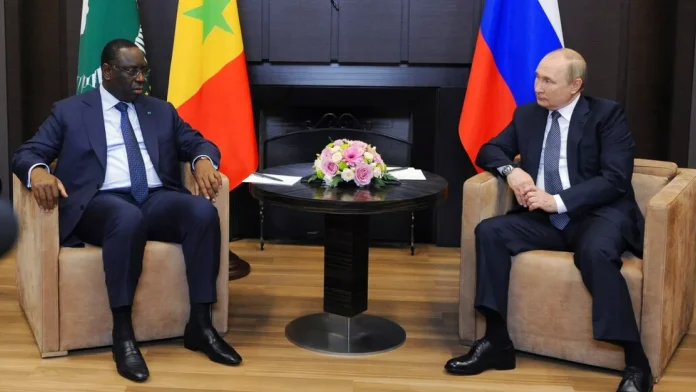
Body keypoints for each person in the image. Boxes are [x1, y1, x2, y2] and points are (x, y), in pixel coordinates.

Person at [12, 39, 242, 382]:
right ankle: (123, 333)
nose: (141, 79)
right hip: (99, 203)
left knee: (201, 213)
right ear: (106, 72)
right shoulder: (70, 111)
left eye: (143, 71)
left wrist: (204, 162)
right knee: (126, 218)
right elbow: (27, 153)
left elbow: (197, 142)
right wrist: (39, 171)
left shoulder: (160, 110)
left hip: (154, 196)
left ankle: (201, 324)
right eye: (131, 70)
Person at [444, 48, 653, 392]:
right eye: (537, 77)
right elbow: (489, 150)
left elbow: (615, 178)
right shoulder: (527, 115)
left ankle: (635, 362)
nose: (537, 86)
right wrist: (513, 172)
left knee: (595, 253)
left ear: (575, 85)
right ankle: (497, 342)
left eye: (547, 80)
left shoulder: (607, 115)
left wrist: (556, 201)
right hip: (545, 220)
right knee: (490, 232)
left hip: (596, 215)